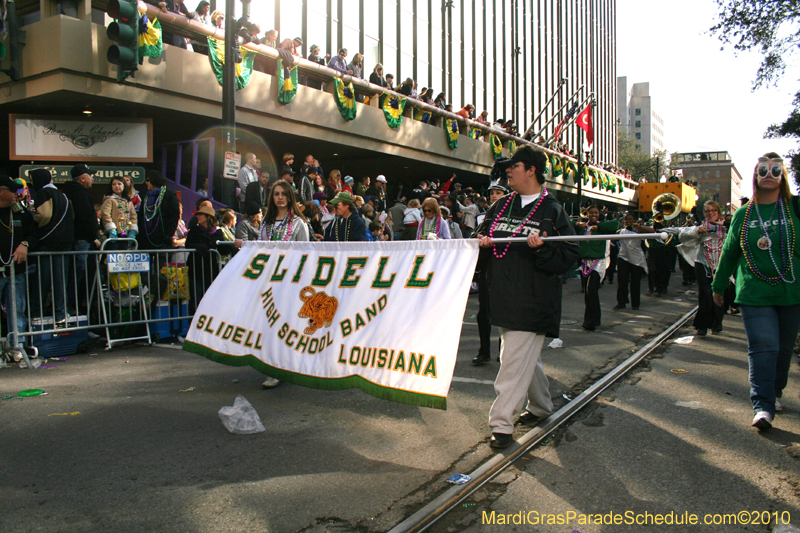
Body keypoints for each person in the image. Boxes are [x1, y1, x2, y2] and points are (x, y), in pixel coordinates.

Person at [474, 146, 579, 449]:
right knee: (523, 358)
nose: (508, 171)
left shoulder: (552, 210)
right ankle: (542, 406)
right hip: (502, 296)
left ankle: (501, 424)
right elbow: (480, 235)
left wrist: (543, 248)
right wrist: (480, 242)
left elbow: (570, 254)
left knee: (512, 360)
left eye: (514, 166)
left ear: (532, 169)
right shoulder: (501, 205)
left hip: (533, 300)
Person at [712, 153, 800, 431]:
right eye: (763, 170)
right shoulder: (743, 213)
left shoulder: (794, 208)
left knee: (784, 348)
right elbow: (729, 252)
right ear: (756, 175)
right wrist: (718, 284)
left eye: (775, 170)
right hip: (754, 291)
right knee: (764, 347)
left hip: (791, 291)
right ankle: (762, 405)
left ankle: (774, 391)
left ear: (783, 175)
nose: (769, 175)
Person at [29, 168, 74, 324]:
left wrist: (34, 219)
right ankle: (60, 314)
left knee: (43, 280)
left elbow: (44, 215)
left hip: (48, 242)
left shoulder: (43, 193)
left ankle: (37, 313)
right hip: (65, 244)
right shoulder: (62, 195)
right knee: (60, 281)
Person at [472, 178, 508, 366]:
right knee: (483, 312)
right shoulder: (484, 216)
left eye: (498, 193)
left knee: (504, 313)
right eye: (492, 193)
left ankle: (504, 353)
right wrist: (478, 237)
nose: (494, 196)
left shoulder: (512, 215)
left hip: (507, 269)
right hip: (488, 268)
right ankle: (484, 351)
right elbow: (473, 235)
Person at [0, 176, 36, 345]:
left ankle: (18, 346)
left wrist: (25, 244)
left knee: (17, 309)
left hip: (16, 270)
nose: (17, 194)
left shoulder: (20, 211)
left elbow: (33, 233)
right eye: (12, 190)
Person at [60, 163, 99, 312]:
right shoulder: (80, 194)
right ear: (82, 178)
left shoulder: (68, 192)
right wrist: (94, 235)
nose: (92, 178)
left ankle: (72, 305)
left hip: (76, 239)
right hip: (81, 240)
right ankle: (72, 306)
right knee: (77, 276)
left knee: (74, 275)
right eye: (90, 176)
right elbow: (86, 218)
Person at [574, 205, 619, 330]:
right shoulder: (583, 227)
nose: (593, 214)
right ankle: (593, 319)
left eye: (596, 213)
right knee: (588, 292)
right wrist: (579, 224)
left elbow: (616, 224)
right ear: (587, 214)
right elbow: (569, 223)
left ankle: (591, 321)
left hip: (599, 261)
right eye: (591, 213)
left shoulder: (602, 227)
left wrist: (598, 227)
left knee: (591, 289)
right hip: (585, 262)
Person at [186, 205, 223, 311]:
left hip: (211, 269)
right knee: (196, 299)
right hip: (196, 269)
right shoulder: (194, 230)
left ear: (208, 217)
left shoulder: (218, 232)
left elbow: (222, 248)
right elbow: (188, 244)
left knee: (210, 298)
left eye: (200, 214)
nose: (198, 216)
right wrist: (198, 246)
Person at [613, 213, 653, 311]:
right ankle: (621, 302)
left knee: (635, 282)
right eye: (626, 220)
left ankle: (635, 304)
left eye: (630, 219)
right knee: (622, 280)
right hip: (623, 257)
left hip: (636, 259)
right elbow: (614, 236)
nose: (628, 221)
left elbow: (653, 231)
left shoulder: (639, 231)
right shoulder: (622, 231)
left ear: (634, 220)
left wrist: (640, 226)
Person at [139, 171, 181, 251]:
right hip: (146, 238)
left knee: (161, 262)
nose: (146, 182)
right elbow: (141, 216)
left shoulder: (169, 195)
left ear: (155, 180)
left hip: (162, 239)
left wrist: (169, 234)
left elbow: (174, 216)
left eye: (148, 180)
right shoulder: (146, 196)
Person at [100, 176, 139, 249]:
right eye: (114, 184)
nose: (116, 186)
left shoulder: (128, 201)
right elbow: (105, 214)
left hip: (125, 234)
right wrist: (111, 229)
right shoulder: (109, 199)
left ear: (124, 185)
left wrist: (133, 230)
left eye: (119, 184)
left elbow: (134, 216)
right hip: (114, 234)